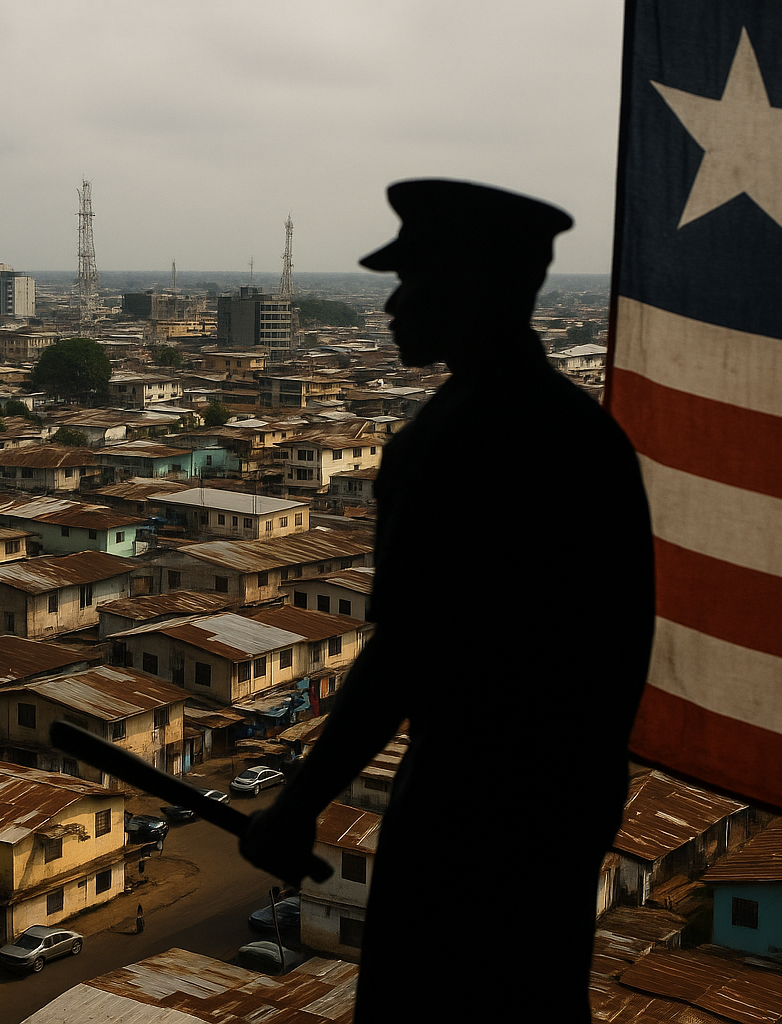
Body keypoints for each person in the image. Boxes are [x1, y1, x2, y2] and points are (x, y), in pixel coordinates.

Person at [240, 179, 655, 1022]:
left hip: (473, 799)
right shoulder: (587, 434)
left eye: (412, 279)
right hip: (564, 796)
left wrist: (300, 803)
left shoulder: (453, 443)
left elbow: (404, 655)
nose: (392, 303)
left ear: (471, 288)